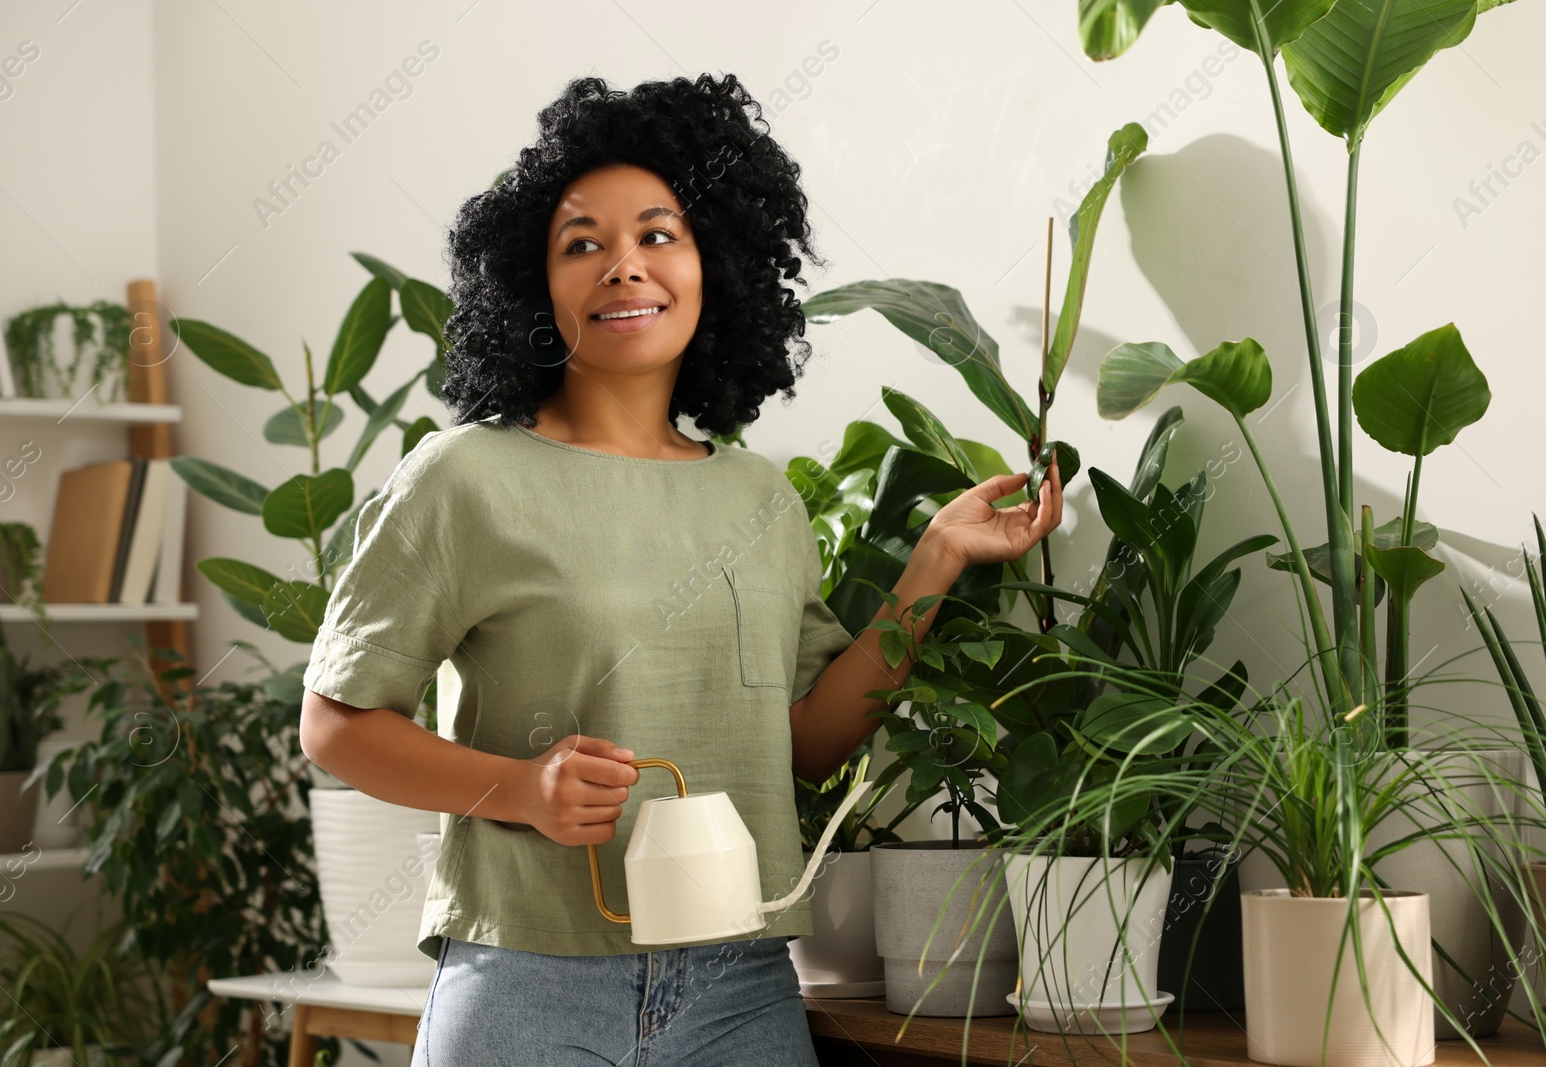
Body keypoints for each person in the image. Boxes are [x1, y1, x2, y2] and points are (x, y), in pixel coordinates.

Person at [298, 71, 1063, 1067]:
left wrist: (935, 560)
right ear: (536, 286)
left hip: (738, 991)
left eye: (658, 234)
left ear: (717, 264)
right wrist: (519, 787)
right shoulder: (466, 479)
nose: (624, 266)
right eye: (584, 244)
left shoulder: (760, 498)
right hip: (529, 983)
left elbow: (804, 744)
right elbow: (337, 724)